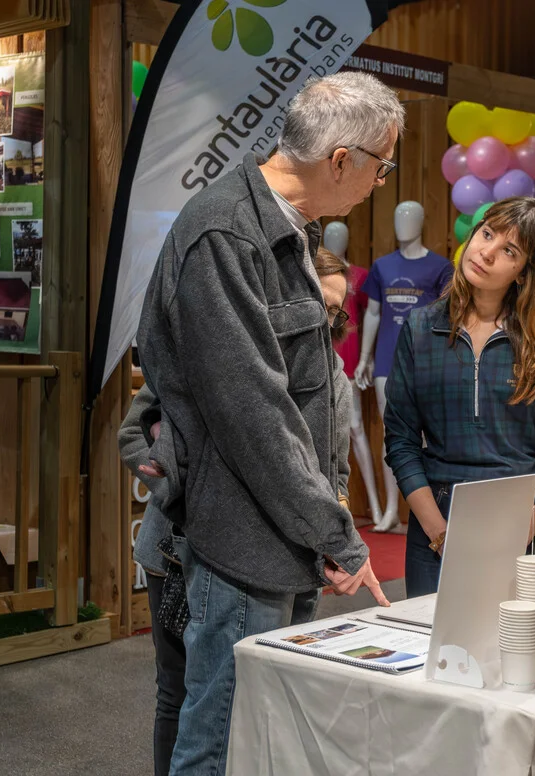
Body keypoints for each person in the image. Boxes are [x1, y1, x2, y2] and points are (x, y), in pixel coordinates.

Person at [135, 71, 401, 775]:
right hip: (240, 542)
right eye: (383, 165)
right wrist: (337, 534)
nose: (382, 183)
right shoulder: (227, 231)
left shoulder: (285, 230)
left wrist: (324, 524)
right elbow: (256, 416)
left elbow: (307, 399)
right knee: (223, 742)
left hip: (275, 537)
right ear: (342, 160)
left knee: (253, 738)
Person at [121, 245, 357, 776]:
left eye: (336, 311)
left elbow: (334, 472)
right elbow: (135, 436)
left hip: (292, 558)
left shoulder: (336, 379)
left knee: (259, 695)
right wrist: (186, 492)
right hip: (178, 548)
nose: (325, 318)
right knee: (181, 690)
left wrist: (335, 528)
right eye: (318, 302)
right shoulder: (220, 352)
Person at [383, 197, 535, 598]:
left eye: (509, 250)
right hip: (436, 522)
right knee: (434, 653)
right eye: (487, 234)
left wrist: (520, 530)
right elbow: (401, 439)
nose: (486, 252)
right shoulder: (422, 328)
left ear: (525, 272)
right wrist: (437, 530)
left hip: (524, 521)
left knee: (518, 652)